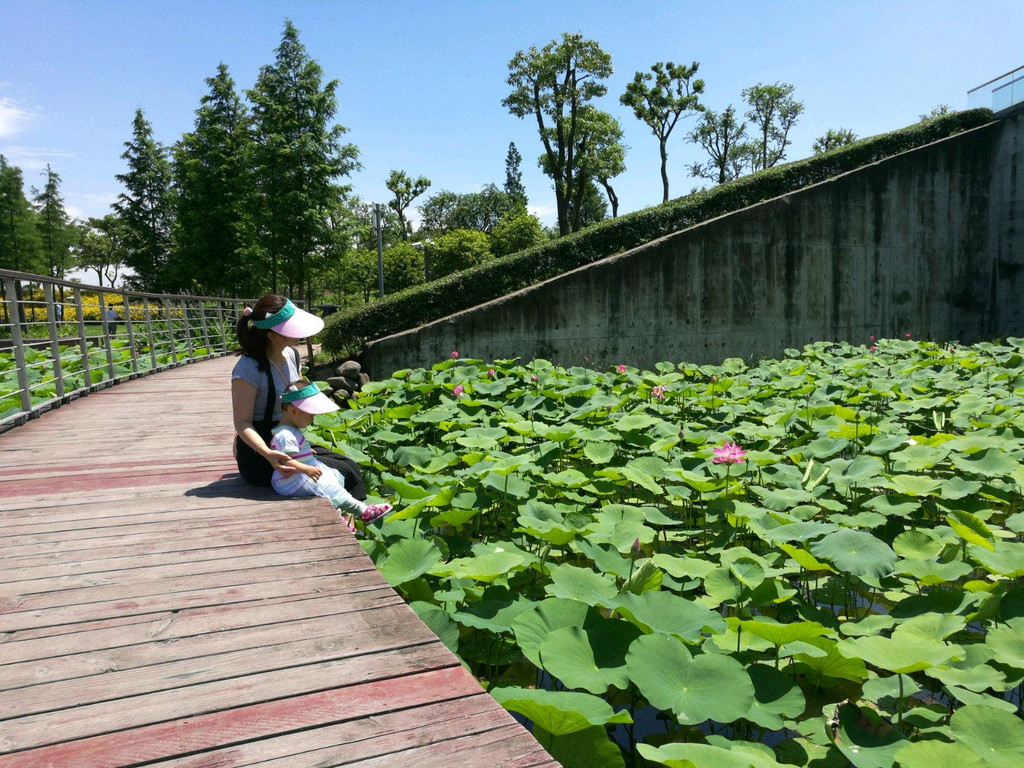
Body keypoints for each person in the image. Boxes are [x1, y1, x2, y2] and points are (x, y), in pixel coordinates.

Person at [231, 294, 367, 497]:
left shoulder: (292, 355)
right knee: (341, 472)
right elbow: (242, 423)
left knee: (349, 466)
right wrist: (268, 453)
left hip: (290, 436)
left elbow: (300, 400)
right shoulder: (248, 369)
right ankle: (351, 515)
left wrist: (301, 443)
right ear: (273, 335)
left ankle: (352, 518)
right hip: (261, 453)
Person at [271, 379, 392, 524]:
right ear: (293, 410)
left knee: (335, 476)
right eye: (311, 414)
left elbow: (293, 453)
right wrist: (306, 468)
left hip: (302, 471)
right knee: (329, 487)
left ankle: (338, 516)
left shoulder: (290, 430)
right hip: (291, 479)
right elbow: (284, 461)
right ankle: (363, 511)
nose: (313, 418)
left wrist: (306, 452)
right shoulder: (285, 434)